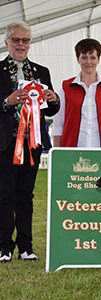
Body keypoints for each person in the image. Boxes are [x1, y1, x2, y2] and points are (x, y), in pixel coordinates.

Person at [0, 21, 60, 262]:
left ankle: (26, 246)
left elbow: (51, 110)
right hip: (5, 143)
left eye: (25, 40)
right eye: (16, 40)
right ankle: (4, 247)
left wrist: (55, 99)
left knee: (26, 196)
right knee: (5, 196)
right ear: (7, 43)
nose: (21, 44)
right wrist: (7, 101)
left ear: (30, 43)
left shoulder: (42, 71)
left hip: (32, 143)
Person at [52, 38, 101, 148]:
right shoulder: (66, 87)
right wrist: (57, 151)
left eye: (93, 57)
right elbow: (58, 122)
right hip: (73, 149)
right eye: (84, 57)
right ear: (78, 59)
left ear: (98, 60)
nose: (88, 62)